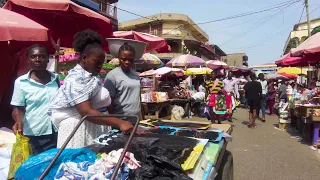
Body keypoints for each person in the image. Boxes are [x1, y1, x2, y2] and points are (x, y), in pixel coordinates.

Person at [50, 30, 133, 148]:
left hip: (93, 128)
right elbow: (86, 111)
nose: (100, 66)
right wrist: (119, 122)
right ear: (84, 58)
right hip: (78, 131)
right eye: (97, 62)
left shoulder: (92, 76)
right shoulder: (77, 79)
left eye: (102, 63)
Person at [11, 44, 59, 155]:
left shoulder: (56, 79)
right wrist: (19, 121)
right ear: (28, 60)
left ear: (48, 59)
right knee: (37, 167)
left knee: (54, 165)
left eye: (42, 56)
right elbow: (18, 108)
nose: (38, 60)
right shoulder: (21, 82)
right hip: (35, 133)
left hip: (57, 131)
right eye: (34, 56)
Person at [104, 43, 144, 121]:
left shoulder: (135, 75)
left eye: (130, 59)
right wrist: (116, 122)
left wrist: (143, 118)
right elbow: (108, 103)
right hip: (122, 121)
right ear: (118, 58)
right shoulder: (112, 76)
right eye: (124, 59)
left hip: (137, 120)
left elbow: (138, 99)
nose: (127, 62)